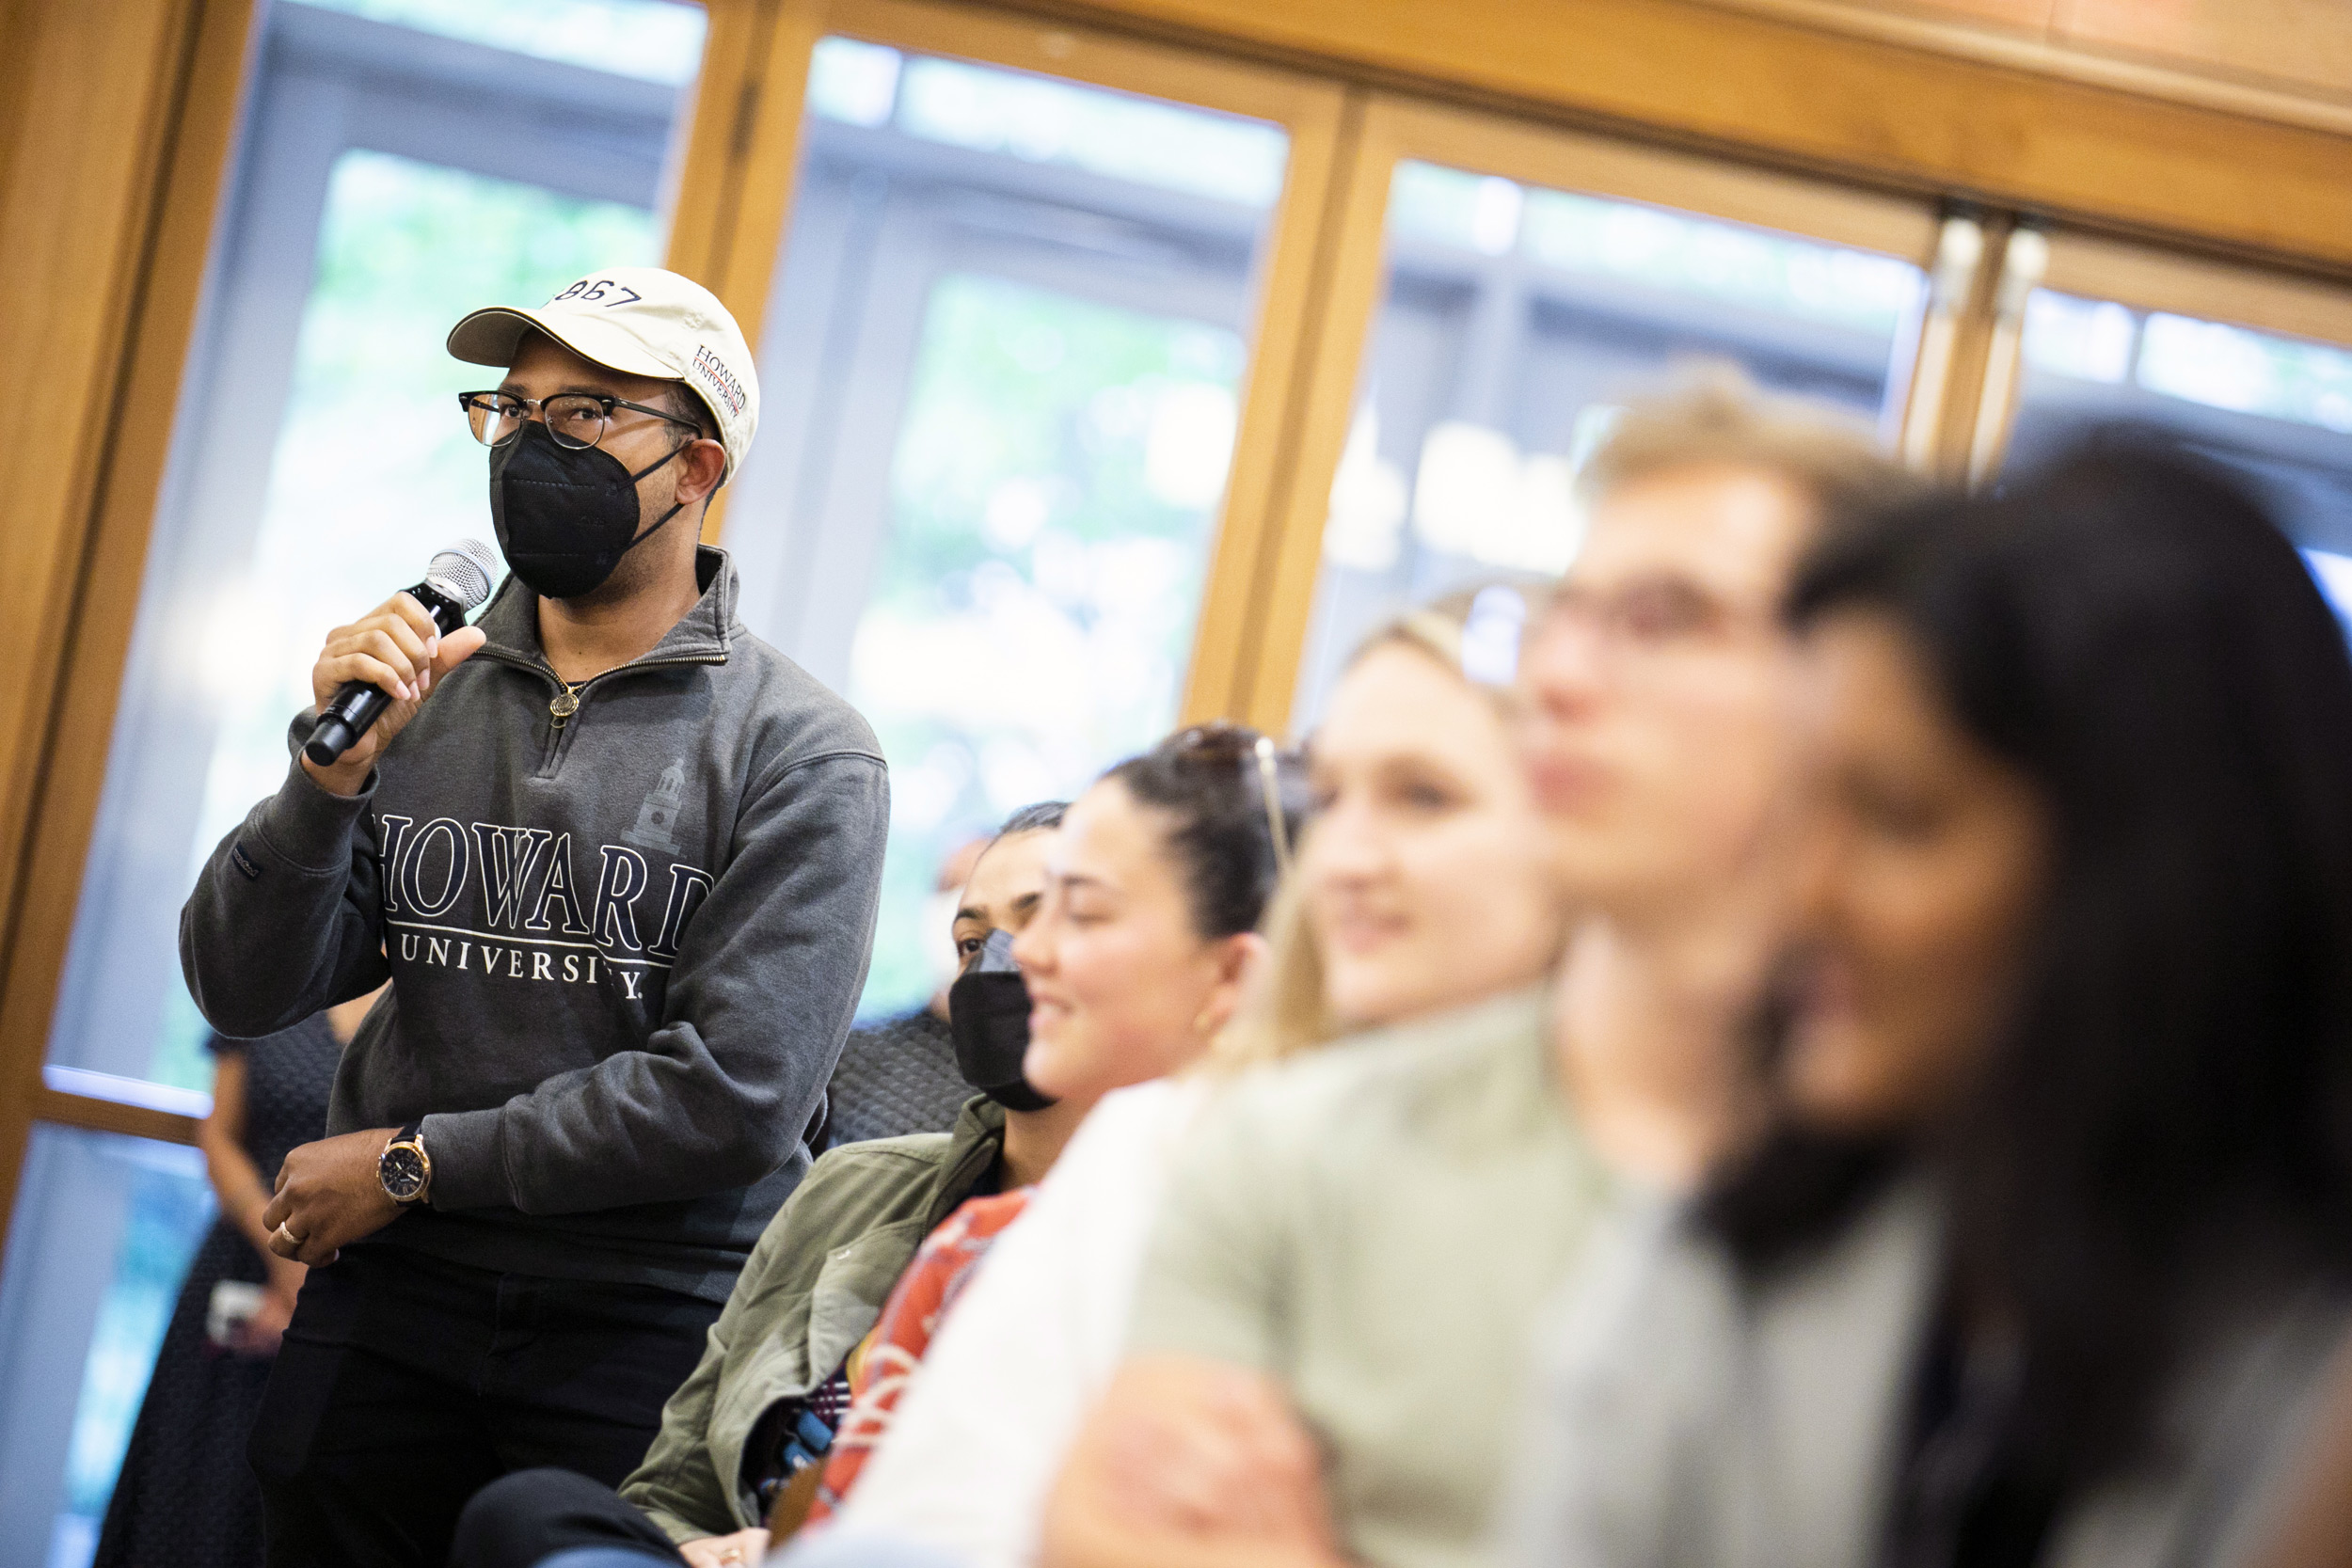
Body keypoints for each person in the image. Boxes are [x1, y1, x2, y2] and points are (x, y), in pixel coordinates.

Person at [1041, 381, 1920, 1568]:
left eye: (1667, 618)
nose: (1556, 681)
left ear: (1869, 693)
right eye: (1571, 615)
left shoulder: (1990, 1220)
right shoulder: (1289, 1149)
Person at [1509, 445, 2352, 1568]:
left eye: (1899, 818)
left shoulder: (2301, 1359)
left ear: (2157, 873)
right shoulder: (1726, 1261)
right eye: (1797, 807)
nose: (1801, 896)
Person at [178, 266, 892, 1568]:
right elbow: (236, 984)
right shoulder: (419, 691)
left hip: (645, 1322)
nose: (529, 442)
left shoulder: (805, 754)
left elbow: (736, 1091)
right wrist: (324, 781)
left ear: (695, 465)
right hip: (392, 1304)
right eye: (512, 409)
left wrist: (416, 1158)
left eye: (587, 413)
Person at [803, 594, 1563, 1568]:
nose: (1349, 855)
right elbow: (961, 1527)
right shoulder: (1163, 1144)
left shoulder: (1671, 1185)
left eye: (1424, 796)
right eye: (1333, 799)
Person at [445, 803, 1067, 1568]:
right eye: (973, 942)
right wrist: (705, 1550)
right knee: (529, 1511)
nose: (996, 966)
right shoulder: (854, 1186)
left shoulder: (1158, 1231)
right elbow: (672, 1489)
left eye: (1040, 927)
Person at [91, 988, 377, 1568]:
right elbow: (218, 1136)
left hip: (366, 1294)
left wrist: (313, 1306)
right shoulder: (282, 975)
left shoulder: (439, 1004)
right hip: (246, 1260)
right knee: (190, 1494)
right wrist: (282, 1255)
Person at [821, 837, 994, 1149]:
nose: (958, 911)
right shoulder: (851, 1055)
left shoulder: (1036, 1069)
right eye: (948, 888)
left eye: (982, 897)